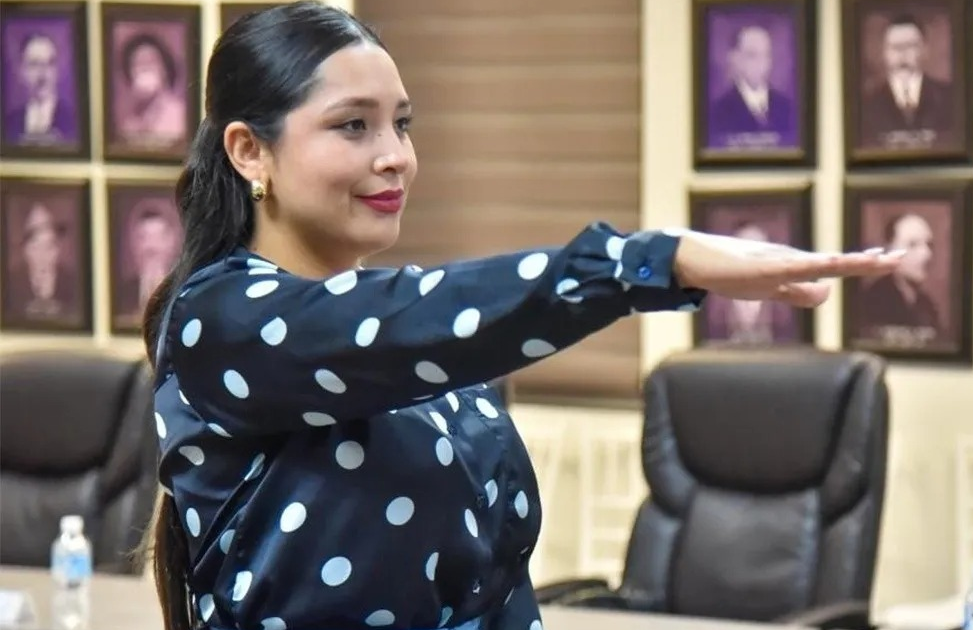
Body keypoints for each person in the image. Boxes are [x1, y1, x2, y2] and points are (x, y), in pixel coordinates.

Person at [137, 4, 904, 630]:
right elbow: (402, 323)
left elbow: (499, 589)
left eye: (402, 124)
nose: (396, 155)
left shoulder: (424, 352)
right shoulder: (220, 320)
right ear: (249, 152)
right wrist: (647, 263)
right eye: (353, 125)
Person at [859, 14, 954, 147]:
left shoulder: (949, 97)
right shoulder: (866, 104)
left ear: (924, 49)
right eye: (895, 47)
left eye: (910, 46)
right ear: (884, 52)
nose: (902, 54)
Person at [703, 220, 799, 344]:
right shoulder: (713, 302)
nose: (752, 256)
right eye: (745, 248)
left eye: (759, 248)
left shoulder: (785, 306)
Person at [708, 23, 797, 147]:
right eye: (752, 55)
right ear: (735, 59)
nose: (761, 63)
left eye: (766, 55)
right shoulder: (717, 112)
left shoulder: (788, 108)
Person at [859, 212, 941, 333]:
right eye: (912, 245)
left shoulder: (927, 306)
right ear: (890, 250)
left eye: (929, 245)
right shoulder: (873, 301)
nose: (927, 254)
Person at [115, 197, 183, 328]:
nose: (151, 247)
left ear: (172, 242)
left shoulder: (185, 291)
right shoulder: (120, 294)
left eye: (159, 237)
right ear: (134, 243)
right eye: (144, 238)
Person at [6, 202, 79, 320]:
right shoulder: (9, 284)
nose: (43, 257)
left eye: (49, 246)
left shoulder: (73, 284)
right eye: (36, 247)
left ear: (58, 250)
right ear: (25, 250)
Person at [3, 32, 77, 145]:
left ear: (56, 70)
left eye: (49, 63)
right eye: (34, 64)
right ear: (21, 71)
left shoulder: (73, 119)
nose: (43, 75)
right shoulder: (9, 122)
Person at [116, 32, 187, 146]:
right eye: (137, 64)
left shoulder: (180, 115)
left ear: (164, 69)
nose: (144, 70)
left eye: (150, 62)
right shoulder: (129, 123)